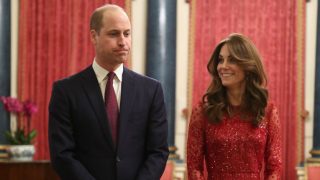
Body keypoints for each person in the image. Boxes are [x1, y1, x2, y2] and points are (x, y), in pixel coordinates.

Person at [48, 4, 169, 180]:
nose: (123, 42)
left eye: (127, 34)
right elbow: (62, 155)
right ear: (93, 36)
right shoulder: (66, 91)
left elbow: (158, 152)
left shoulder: (151, 90)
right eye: (114, 34)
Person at [187, 33, 282, 180]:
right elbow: (194, 168)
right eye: (220, 60)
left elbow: (275, 167)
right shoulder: (203, 111)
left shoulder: (267, 111)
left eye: (231, 60)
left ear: (248, 66)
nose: (223, 66)